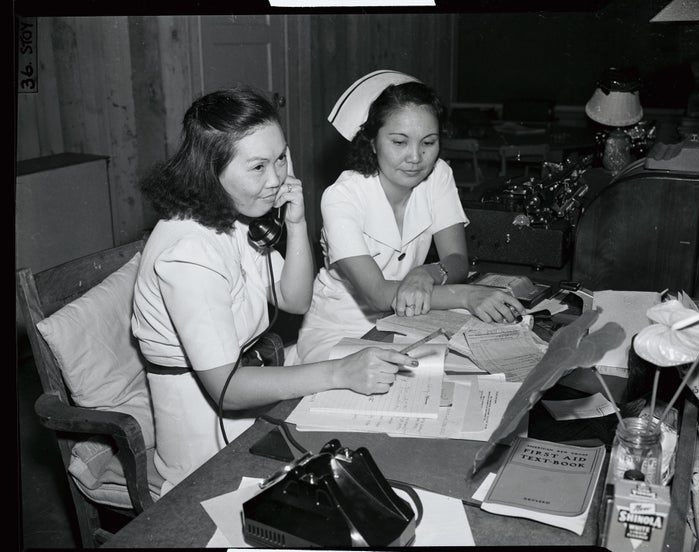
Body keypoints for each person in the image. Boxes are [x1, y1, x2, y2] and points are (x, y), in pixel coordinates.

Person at [132, 87, 418, 493]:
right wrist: (339, 372)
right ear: (209, 171)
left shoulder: (233, 215)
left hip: (254, 400)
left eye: (281, 158)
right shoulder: (189, 254)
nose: (277, 178)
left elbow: (294, 299)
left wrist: (297, 223)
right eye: (258, 167)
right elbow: (227, 389)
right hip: (206, 447)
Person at [293, 70, 525, 364]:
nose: (416, 158)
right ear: (373, 142)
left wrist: (425, 273)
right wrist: (467, 296)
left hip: (412, 317)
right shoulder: (342, 197)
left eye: (428, 143)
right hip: (342, 330)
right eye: (399, 142)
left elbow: (456, 260)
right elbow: (377, 295)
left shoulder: (438, 175)